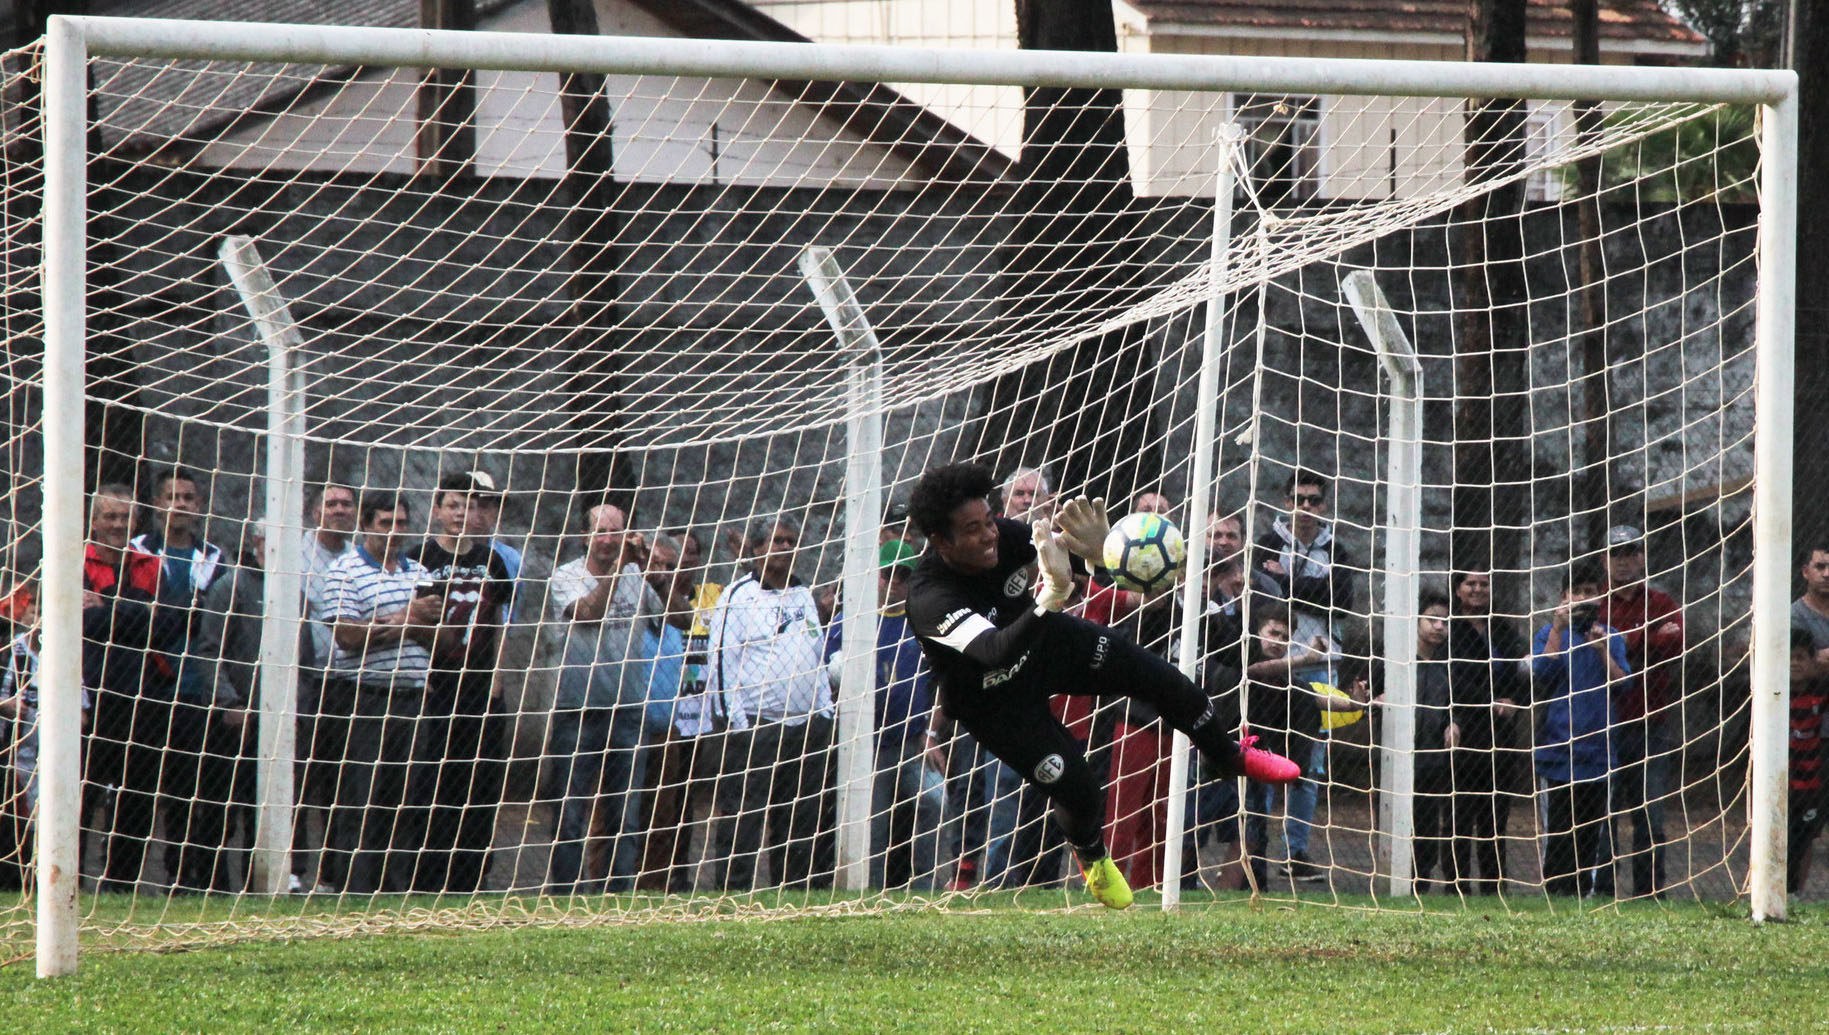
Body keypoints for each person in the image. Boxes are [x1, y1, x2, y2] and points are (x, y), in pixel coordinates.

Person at [901, 462, 1300, 909]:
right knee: (1077, 788)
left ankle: (1228, 756)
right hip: (993, 700)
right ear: (941, 541)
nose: (989, 535)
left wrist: (1100, 552)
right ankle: (1093, 859)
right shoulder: (930, 596)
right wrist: (1049, 598)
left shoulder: (1007, 537)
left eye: (988, 521)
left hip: (1047, 646)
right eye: (972, 530)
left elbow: (1073, 563)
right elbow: (994, 652)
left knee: (1159, 678)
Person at [704, 515, 836, 890]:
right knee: (744, 818)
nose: (785, 547)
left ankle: (793, 891)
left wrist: (825, 710)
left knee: (798, 818)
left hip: (806, 727)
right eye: (777, 540)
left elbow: (816, 654)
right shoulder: (737, 597)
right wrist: (736, 723)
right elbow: (722, 662)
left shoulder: (802, 595)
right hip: (756, 727)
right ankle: (733, 891)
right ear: (756, 549)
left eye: (791, 541)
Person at [403, 471, 517, 892]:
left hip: (480, 689)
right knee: (434, 781)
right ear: (437, 510)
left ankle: (472, 875)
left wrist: (498, 680)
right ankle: (428, 874)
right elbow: (412, 622)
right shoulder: (419, 558)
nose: (461, 514)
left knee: (480, 783)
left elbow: (501, 623)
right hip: (435, 689)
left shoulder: (494, 561)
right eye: (453, 505)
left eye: (469, 506)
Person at [131, 467, 242, 892]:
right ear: (157, 504)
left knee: (209, 788)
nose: (179, 504)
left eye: (188, 497)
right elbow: (140, 618)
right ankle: (163, 874)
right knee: (157, 788)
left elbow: (211, 626)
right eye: (171, 496)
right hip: (151, 688)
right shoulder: (137, 551)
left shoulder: (214, 557)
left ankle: (207, 877)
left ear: (198, 506)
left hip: (201, 690)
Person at [323, 494, 441, 893]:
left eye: (402, 523)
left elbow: (437, 634)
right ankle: (354, 889)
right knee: (360, 798)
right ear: (367, 525)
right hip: (364, 698)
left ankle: (395, 888)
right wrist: (407, 618)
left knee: (403, 799)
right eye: (385, 522)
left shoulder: (419, 570)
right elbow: (348, 635)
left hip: (412, 698)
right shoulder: (345, 570)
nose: (394, 532)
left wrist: (400, 623)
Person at [543, 502, 663, 894]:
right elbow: (588, 613)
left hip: (627, 711)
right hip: (576, 712)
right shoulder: (564, 577)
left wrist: (656, 572)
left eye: (617, 533)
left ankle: (618, 895)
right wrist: (620, 570)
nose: (609, 541)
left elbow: (675, 618)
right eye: (601, 532)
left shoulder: (636, 575)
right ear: (585, 536)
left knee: (624, 815)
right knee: (570, 814)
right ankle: (566, 897)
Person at [825, 540, 947, 889]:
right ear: (874, 575)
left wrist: (932, 734)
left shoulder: (924, 621)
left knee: (936, 802)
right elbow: (826, 677)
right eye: (887, 573)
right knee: (872, 826)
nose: (894, 582)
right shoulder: (849, 620)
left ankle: (927, 886)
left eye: (902, 575)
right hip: (866, 747)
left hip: (912, 742)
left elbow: (943, 684)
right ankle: (868, 891)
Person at [1251, 469, 1353, 880]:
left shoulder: (1338, 549)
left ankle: (1297, 852)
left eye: (1314, 500)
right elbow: (1262, 601)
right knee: (1261, 757)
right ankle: (1253, 848)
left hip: (1319, 668)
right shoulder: (1268, 543)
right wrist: (1311, 589)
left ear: (1324, 505)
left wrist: (1287, 581)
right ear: (1286, 501)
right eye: (1299, 499)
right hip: (1274, 666)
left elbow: (1341, 602)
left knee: (1308, 767)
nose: (1306, 507)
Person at [1239, 603, 1362, 887]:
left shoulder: (1285, 681)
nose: (1278, 642)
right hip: (1227, 758)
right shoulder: (1243, 661)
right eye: (1273, 633)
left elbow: (1317, 697)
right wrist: (1306, 658)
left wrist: (1358, 703)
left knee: (1253, 829)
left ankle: (1251, 880)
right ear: (1257, 632)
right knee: (1204, 826)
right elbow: (1254, 670)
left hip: (1258, 762)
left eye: (1285, 638)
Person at [81, 484, 164, 892]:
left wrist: (106, 606)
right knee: (82, 790)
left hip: (142, 695)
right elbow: (82, 625)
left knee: (138, 794)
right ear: (94, 521)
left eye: (124, 517)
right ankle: (69, 875)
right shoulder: (75, 559)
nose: (117, 524)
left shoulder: (150, 563)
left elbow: (164, 627)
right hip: (86, 695)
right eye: (109, 517)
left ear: (136, 522)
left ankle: (121, 883)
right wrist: (134, 611)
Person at [1531, 560, 1630, 898]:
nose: (1585, 599)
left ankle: (1583, 896)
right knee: (1558, 834)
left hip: (1598, 754)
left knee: (1591, 836)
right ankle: (1553, 895)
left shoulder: (1611, 637)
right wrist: (1558, 630)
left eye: (1591, 592)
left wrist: (1601, 650)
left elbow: (1623, 684)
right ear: (1564, 596)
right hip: (1557, 753)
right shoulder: (1548, 634)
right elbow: (1540, 675)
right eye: (1578, 592)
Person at [1596, 524, 1681, 898]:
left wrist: (1616, 644)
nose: (1625, 561)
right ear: (1604, 559)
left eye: (1632, 552)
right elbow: (1583, 650)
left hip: (1648, 723)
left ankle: (1649, 893)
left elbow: (1673, 644)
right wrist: (1644, 638)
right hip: (1600, 725)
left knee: (1649, 814)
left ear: (1643, 557)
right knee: (1602, 814)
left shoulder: (1661, 602)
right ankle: (1599, 890)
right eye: (1617, 553)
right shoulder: (1592, 601)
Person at [1445, 570, 1529, 896]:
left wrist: (1514, 700)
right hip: (1463, 731)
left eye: (1484, 584)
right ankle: (1457, 885)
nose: (1478, 589)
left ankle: (1494, 887)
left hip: (1501, 735)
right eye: (1471, 584)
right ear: (1458, 590)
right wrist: (1487, 700)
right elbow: (1452, 678)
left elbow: (1521, 673)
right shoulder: (1450, 631)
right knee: (1460, 817)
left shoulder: (1504, 630)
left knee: (1495, 819)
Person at [1368, 592, 1457, 891]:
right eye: (1432, 619)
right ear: (1416, 620)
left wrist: (1453, 724)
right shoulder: (1392, 659)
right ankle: (1392, 882)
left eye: (1444, 621)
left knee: (1428, 825)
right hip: (1393, 757)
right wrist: (1370, 700)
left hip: (1432, 761)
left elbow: (1455, 706)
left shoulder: (1449, 664)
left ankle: (1421, 884)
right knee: (1392, 823)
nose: (1438, 626)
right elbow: (1369, 697)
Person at [296, 483, 358, 891]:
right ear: (314, 510)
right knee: (298, 779)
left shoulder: (358, 557)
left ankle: (332, 877)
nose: (338, 510)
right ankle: (293, 871)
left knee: (340, 785)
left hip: (347, 682)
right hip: (301, 682)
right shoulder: (293, 554)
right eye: (330, 503)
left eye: (346, 504)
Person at [1788, 628, 1828, 894]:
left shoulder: (1820, 694)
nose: (1794, 663)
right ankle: (1772, 889)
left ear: (1813, 662)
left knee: (1803, 840)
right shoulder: (1769, 694)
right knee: (1779, 837)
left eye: (1801, 657)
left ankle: (1796, 895)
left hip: (1809, 783)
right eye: (1788, 657)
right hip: (1779, 782)